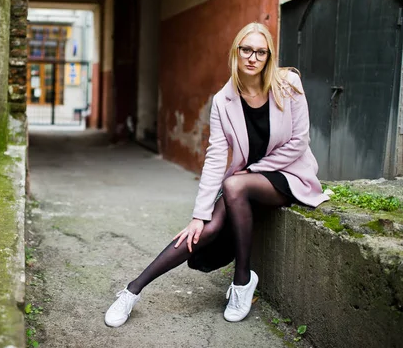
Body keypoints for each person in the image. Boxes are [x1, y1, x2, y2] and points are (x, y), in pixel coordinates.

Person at [104, 22, 329, 327]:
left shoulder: (288, 85)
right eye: (246, 49)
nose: (252, 57)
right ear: (236, 52)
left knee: (234, 184)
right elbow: (214, 158)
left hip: (288, 176)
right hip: (244, 183)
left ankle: (241, 280)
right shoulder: (223, 101)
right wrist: (199, 214)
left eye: (260, 52)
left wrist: (252, 170)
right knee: (204, 230)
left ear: (269, 56)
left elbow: (299, 141)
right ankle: (132, 291)